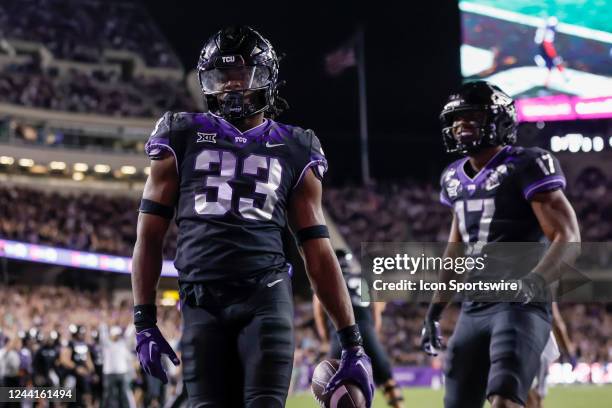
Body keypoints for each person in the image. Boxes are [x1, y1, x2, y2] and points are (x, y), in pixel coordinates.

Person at [131, 25, 374, 408]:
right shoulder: (181, 133)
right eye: (220, 77)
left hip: (265, 296)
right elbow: (148, 237)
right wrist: (144, 319)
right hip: (201, 301)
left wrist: (352, 341)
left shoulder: (296, 146)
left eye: (240, 75)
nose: (230, 86)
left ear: (266, 77)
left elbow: (318, 252)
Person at [420, 81, 580, 408]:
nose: (461, 125)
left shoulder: (528, 164)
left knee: (505, 400)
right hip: (474, 306)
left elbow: (569, 238)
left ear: (500, 120)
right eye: (456, 119)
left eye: (472, 116)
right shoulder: (452, 177)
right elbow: (456, 250)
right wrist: (435, 309)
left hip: (518, 304)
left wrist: (533, 283)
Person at [314, 249, 404, 407]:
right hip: (366, 331)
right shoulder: (364, 280)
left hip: (340, 335)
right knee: (388, 381)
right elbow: (376, 311)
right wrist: (372, 334)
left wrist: (327, 339)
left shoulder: (327, 280)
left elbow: (319, 313)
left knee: (330, 384)